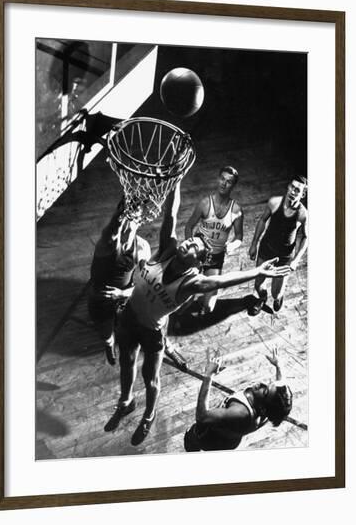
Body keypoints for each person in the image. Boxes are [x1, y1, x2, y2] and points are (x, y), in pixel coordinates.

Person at [104, 182, 290, 445]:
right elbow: (171, 214)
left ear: (198, 262)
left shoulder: (193, 283)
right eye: (191, 239)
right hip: (129, 317)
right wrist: (177, 181)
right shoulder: (167, 249)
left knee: (151, 379)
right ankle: (126, 402)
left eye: (194, 247)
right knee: (126, 363)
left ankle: (149, 414)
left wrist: (258, 272)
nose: (189, 243)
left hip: (151, 330)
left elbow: (222, 282)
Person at [184, 345, 293, 451]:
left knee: (192, 440)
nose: (261, 384)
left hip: (209, 437)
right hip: (231, 440)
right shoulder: (272, 410)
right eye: (269, 383)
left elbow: (202, 417)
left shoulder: (240, 412)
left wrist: (209, 375)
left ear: (263, 408)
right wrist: (278, 365)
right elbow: (280, 389)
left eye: (265, 391)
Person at [87, 199, 150, 365]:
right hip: (100, 300)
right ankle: (109, 345)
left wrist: (122, 293)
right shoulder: (106, 243)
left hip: (124, 297)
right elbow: (112, 230)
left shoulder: (142, 247)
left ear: (141, 220)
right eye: (125, 217)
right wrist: (120, 214)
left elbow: (146, 284)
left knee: (130, 326)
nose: (128, 222)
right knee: (106, 335)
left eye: (134, 218)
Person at [185, 166, 243, 313]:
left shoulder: (236, 210)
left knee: (209, 308)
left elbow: (239, 237)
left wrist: (233, 245)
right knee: (185, 298)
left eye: (229, 181)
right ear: (218, 179)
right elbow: (189, 226)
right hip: (198, 253)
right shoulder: (205, 203)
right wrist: (191, 247)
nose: (224, 183)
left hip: (216, 257)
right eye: (222, 179)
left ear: (233, 185)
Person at [248, 175, 308, 315]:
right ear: (288, 187)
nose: (293, 191)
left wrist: (296, 260)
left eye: (297, 190)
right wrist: (254, 244)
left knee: (276, 292)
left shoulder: (303, 214)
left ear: (303, 194)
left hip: (284, 256)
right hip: (266, 249)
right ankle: (262, 298)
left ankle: (278, 297)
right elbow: (262, 221)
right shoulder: (274, 202)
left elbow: (306, 237)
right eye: (292, 187)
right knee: (258, 284)